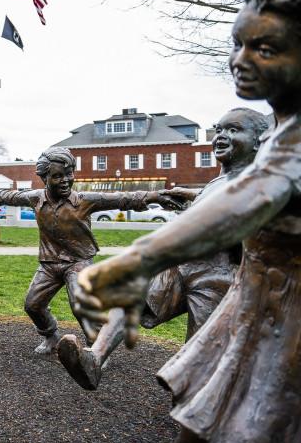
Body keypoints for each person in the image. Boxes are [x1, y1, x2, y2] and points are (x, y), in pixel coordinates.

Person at [74, 0, 301, 443]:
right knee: (200, 438)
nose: (240, 61)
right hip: (257, 313)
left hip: (280, 328)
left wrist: (141, 255)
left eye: (264, 48)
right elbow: (221, 197)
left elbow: (252, 198)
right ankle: (96, 356)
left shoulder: (287, 151)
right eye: (237, 44)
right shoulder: (277, 138)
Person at [57, 108, 270, 390]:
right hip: (182, 264)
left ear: (259, 141)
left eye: (234, 130)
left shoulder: (261, 181)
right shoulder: (219, 180)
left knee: (204, 351)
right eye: (219, 129)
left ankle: (202, 412)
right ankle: (94, 358)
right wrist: (193, 197)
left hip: (219, 277)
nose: (221, 136)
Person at [0, 147, 186, 355]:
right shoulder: (36, 198)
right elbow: (10, 196)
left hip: (78, 262)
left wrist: (157, 196)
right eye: (58, 176)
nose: (65, 180)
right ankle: (50, 336)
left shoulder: (84, 200)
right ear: (44, 179)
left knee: (80, 305)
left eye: (69, 174)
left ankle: (97, 348)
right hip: (50, 263)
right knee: (33, 305)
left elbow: (123, 198)